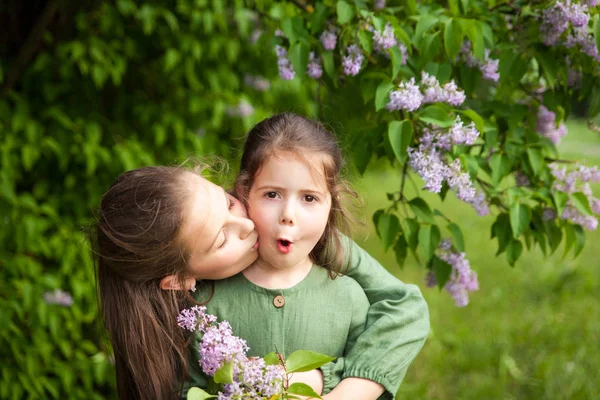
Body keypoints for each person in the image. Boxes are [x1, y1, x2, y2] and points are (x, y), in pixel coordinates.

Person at [94, 118, 429, 400]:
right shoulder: (197, 314)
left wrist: (332, 384)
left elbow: (405, 308)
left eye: (228, 204)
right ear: (182, 277)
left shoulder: (330, 259)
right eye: (221, 239)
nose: (249, 226)